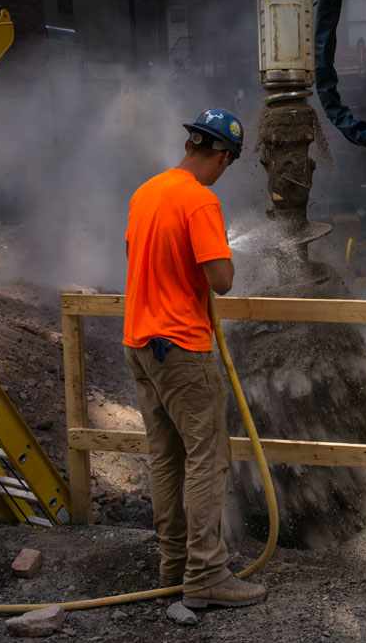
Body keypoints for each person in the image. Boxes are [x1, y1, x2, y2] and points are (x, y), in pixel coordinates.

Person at [123, 108, 267, 609]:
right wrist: (222, 250)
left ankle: (172, 567)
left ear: (189, 145)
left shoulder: (146, 192)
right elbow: (222, 281)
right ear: (223, 156)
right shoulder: (201, 201)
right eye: (228, 162)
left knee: (165, 458)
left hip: (140, 345)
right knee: (208, 460)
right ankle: (206, 575)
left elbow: (140, 259)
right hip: (182, 347)